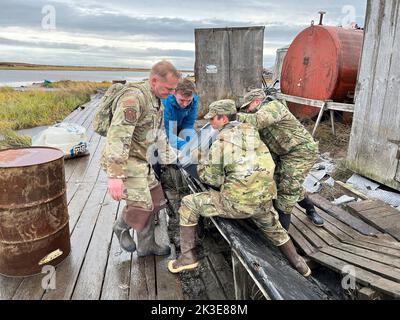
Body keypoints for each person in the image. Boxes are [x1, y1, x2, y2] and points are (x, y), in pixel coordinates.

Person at [167, 99, 311, 277]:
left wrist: (203, 161)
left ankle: (187, 258)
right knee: (276, 231)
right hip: (264, 202)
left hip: (237, 205)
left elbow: (212, 179)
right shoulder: (252, 132)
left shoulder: (220, 142)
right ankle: (300, 264)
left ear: (223, 119)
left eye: (212, 119)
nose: (209, 122)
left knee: (188, 203)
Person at [101, 60, 180, 255]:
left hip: (140, 159)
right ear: (154, 80)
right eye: (169, 88)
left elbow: (158, 135)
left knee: (156, 199)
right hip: (124, 161)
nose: (172, 93)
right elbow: (118, 135)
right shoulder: (133, 99)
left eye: (174, 89)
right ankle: (120, 228)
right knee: (141, 204)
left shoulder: (157, 100)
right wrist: (115, 176)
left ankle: (147, 245)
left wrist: (174, 159)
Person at [237, 89, 324, 231]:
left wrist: (230, 116)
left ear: (257, 101)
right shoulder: (255, 115)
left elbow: (258, 121)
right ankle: (310, 209)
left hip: (301, 152)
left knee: (287, 191)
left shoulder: (273, 107)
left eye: (248, 107)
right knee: (283, 184)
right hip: (282, 154)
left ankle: (282, 237)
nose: (247, 110)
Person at [162, 78, 198, 150]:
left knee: (194, 142)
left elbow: (188, 124)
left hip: (180, 126)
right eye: (182, 100)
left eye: (188, 100)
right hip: (169, 127)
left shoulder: (194, 100)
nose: (185, 104)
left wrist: (192, 144)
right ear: (174, 93)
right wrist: (184, 145)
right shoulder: (166, 102)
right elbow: (168, 131)